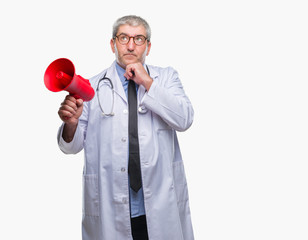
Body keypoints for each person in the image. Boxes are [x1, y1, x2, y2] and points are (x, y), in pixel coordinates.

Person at [57, 15, 194, 240]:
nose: (131, 45)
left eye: (139, 39)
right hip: (110, 204)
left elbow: (185, 119)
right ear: (112, 44)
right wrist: (70, 123)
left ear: (148, 46)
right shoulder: (91, 87)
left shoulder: (166, 78)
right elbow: (70, 147)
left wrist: (148, 83)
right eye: (123, 38)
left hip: (160, 205)